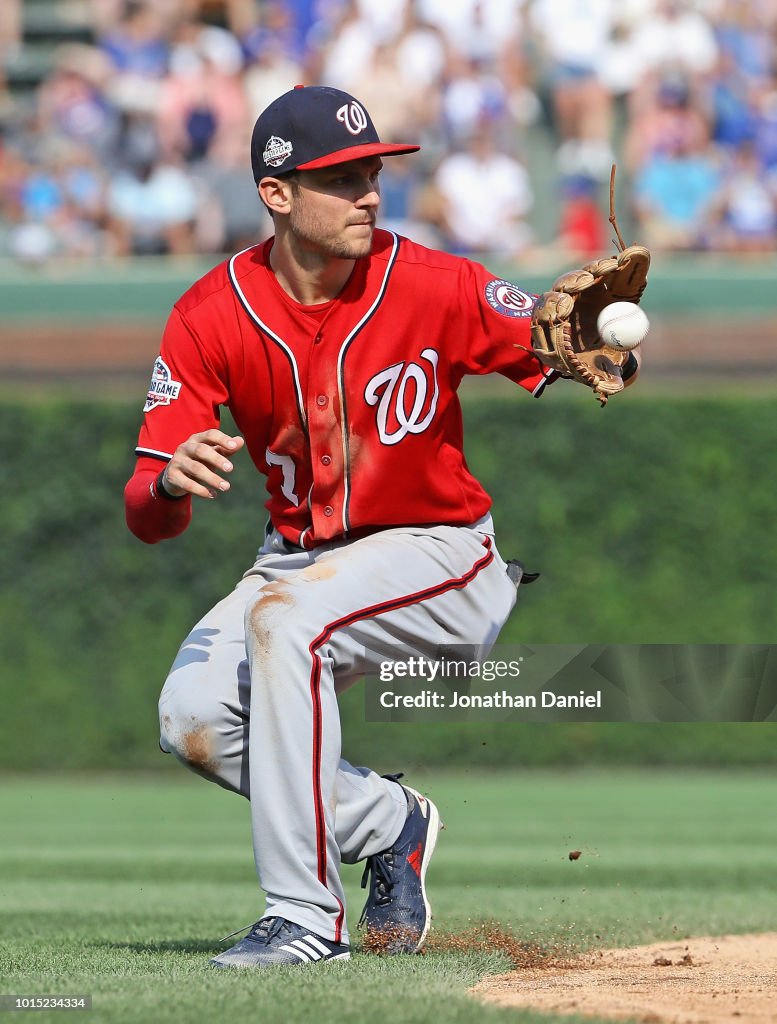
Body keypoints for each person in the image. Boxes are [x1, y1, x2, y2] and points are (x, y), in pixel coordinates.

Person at [123, 85, 598, 970]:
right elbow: (147, 511)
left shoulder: (433, 280)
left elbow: (549, 331)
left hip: (440, 553)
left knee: (287, 620)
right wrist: (169, 489)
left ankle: (304, 917)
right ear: (275, 194)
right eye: (339, 178)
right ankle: (390, 822)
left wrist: (590, 337)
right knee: (192, 718)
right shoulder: (208, 313)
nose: (367, 192)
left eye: (371, 172)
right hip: (296, 559)